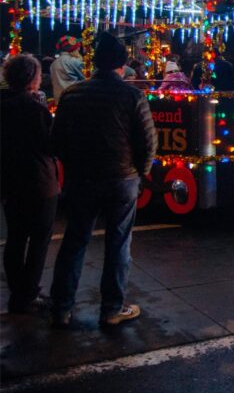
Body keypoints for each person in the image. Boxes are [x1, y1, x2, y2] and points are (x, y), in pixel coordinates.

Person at [50, 32, 158, 328]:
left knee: (74, 241)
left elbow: (57, 141)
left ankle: (61, 307)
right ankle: (112, 308)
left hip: (83, 178)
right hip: (122, 179)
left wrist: (73, 166)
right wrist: (141, 171)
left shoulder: (72, 95)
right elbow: (148, 143)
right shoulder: (133, 96)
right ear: (121, 65)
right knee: (118, 243)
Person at [1, 55, 60, 314]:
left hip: (10, 180)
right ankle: (29, 293)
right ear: (32, 78)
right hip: (39, 181)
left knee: (15, 237)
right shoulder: (35, 109)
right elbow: (51, 144)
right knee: (38, 240)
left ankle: (18, 291)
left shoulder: (3, 106)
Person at [51, 35, 85, 102]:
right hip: (73, 100)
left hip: (58, 100)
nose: (79, 49)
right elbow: (87, 79)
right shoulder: (75, 61)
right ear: (73, 48)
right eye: (78, 46)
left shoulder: (53, 63)